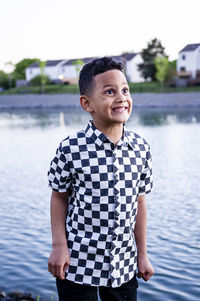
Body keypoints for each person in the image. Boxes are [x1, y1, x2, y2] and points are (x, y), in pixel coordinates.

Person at [47, 57, 154, 301]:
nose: (121, 97)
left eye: (125, 90)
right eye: (109, 91)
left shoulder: (141, 148)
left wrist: (142, 254)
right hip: (77, 264)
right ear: (87, 103)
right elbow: (58, 198)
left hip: (123, 265)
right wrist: (59, 247)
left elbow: (139, 203)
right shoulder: (71, 148)